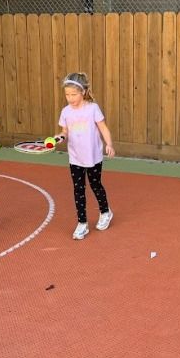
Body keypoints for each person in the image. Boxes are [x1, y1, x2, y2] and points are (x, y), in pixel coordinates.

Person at [53, 72, 115, 240]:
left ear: (83, 92)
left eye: (74, 94)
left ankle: (105, 212)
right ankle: (82, 223)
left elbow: (103, 128)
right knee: (78, 189)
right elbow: (65, 132)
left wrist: (109, 144)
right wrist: (59, 137)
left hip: (93, 156)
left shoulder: (92, 108)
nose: (70, 98)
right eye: (67, 94)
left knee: (96, 186)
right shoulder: (65, 112)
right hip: (75, 157)